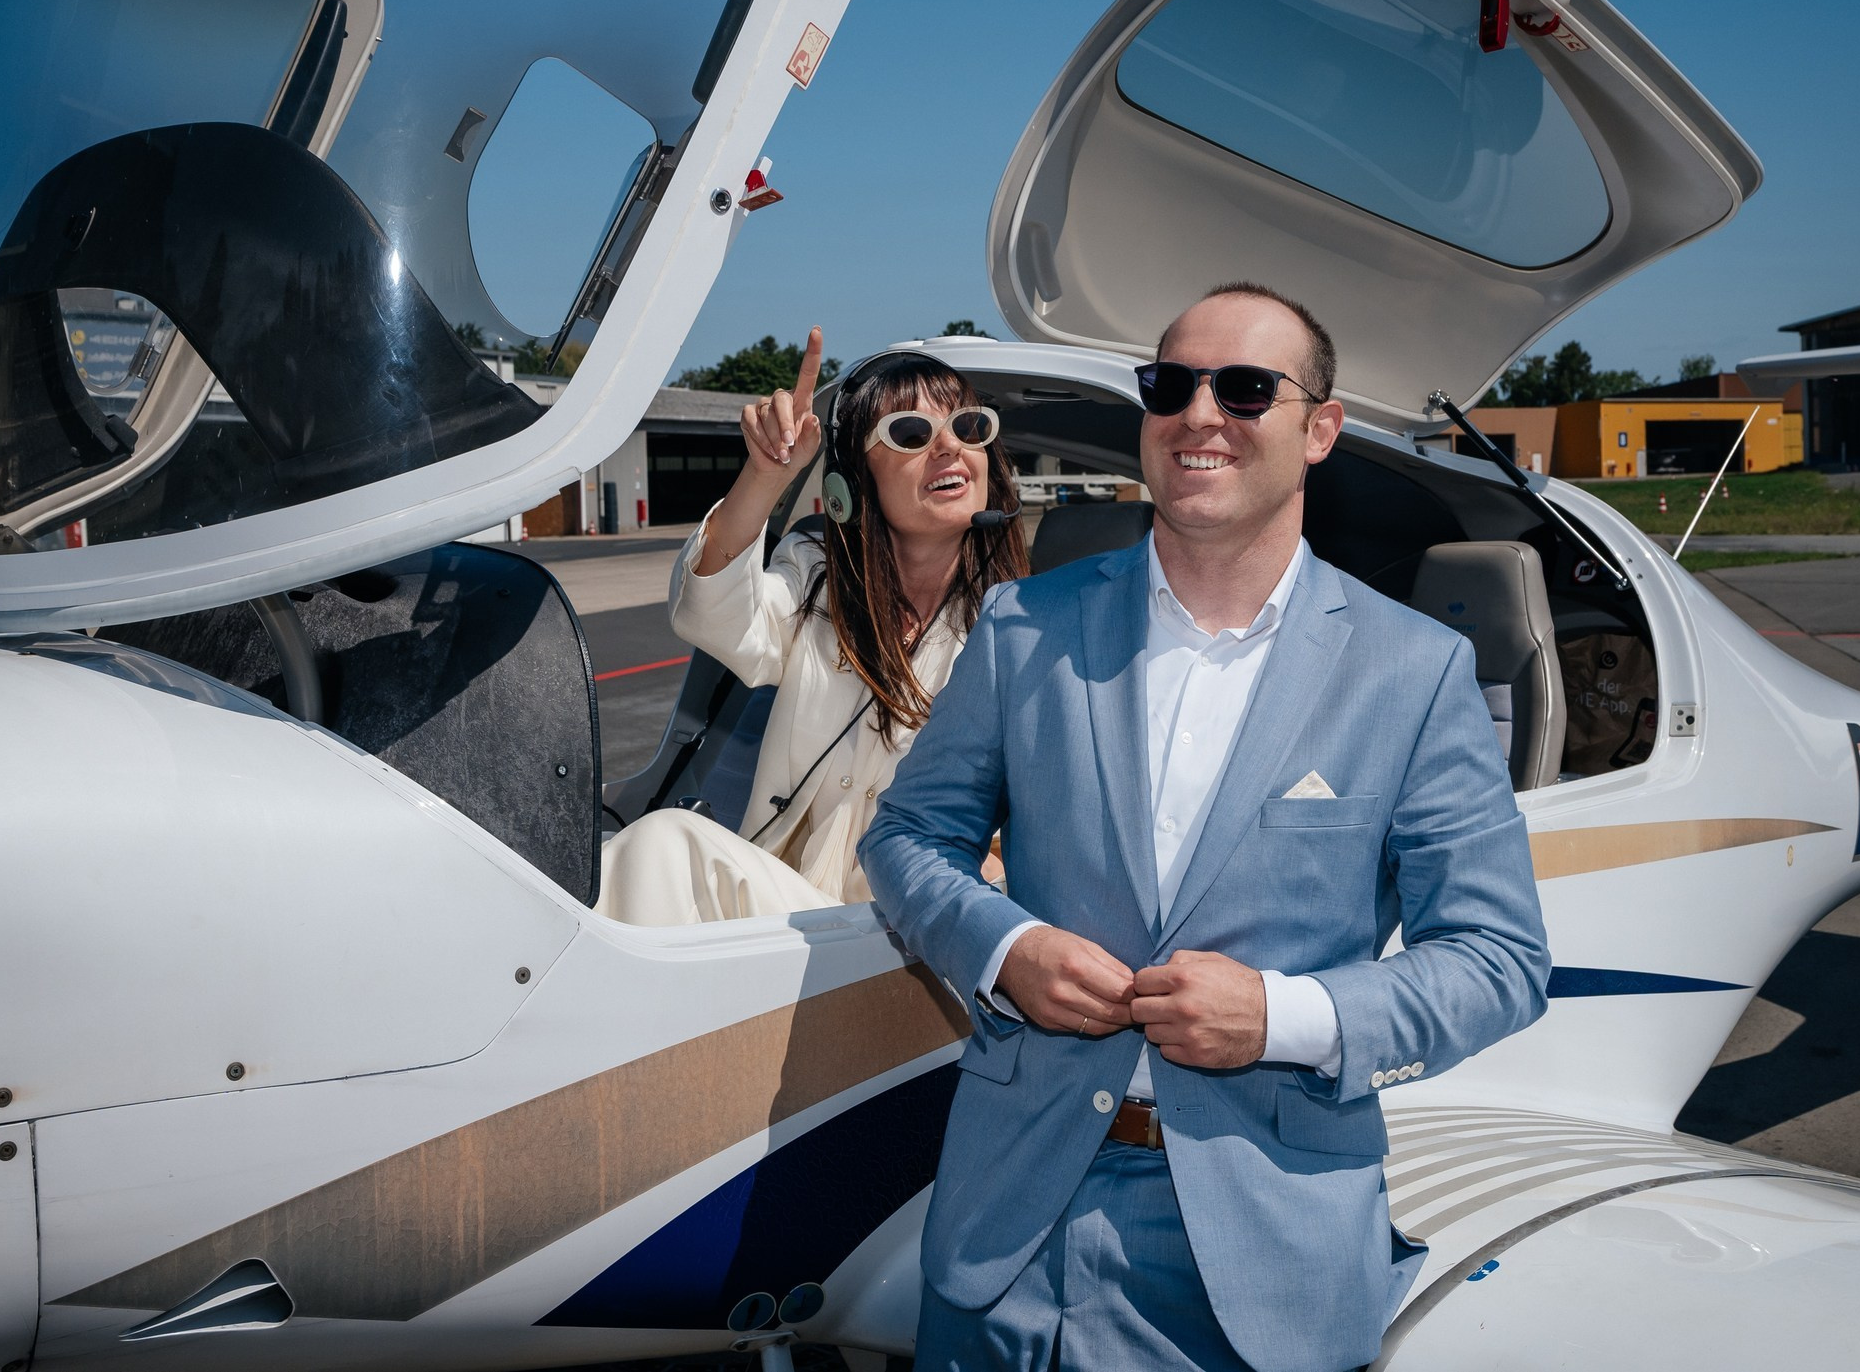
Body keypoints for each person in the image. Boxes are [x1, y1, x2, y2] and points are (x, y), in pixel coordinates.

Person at [859, 283, 1551, 1372]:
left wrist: (1281, 1015)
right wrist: (1005, 947)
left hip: (1255, 1255)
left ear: (1320, 428)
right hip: (1005, 1225)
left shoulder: (1413, 673)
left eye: (1244, 388)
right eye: (1171, 384)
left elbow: (1500, 962)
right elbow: (905, 839)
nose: (1199, 413)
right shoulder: (1024, 625)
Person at [596, 330, 1028, 926]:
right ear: (853, 484)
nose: (950, 447)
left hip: (907, 929)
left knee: (666, 846)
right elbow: (711, 612)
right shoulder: (818, 580)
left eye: (969, 427)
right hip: (792, 905)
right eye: (911, 433)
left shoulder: (1022, 628)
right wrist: (765, 476)